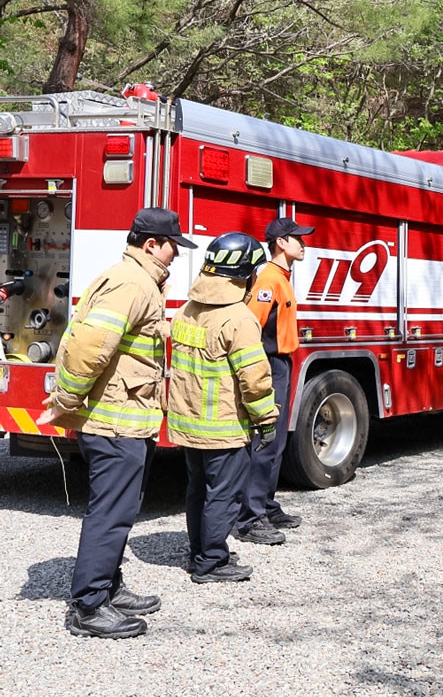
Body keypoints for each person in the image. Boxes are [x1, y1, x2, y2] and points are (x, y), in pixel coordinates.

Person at [41, 208, 196, 638]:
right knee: (110, 513)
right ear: (151, 244)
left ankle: (109, 587)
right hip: (115, 426)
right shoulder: (132, 283)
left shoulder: (135, 280)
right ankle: (89, 606)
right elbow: (90, 346)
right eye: (171, 247)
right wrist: (64, 401)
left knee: (122, 510)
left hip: (128, 423)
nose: (175, 256)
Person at [169, 233, 278, 583]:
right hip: (224, 428)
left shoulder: (187, 310)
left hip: (189, 424)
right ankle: (212, 562)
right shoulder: (239, 319)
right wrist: (266, 420)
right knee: (224, 495)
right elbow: (255, 378)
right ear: (244, 274)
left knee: (197, 490)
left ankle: (198, 551)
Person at [234, 217, 314, 546]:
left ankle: (266, 503)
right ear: (281, 242)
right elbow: (252, 324)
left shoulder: (281, 276)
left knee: (277, 440)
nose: (303, 244)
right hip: (269, 364)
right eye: (297, 238)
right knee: (266, 440)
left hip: (280, 363)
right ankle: (250, 517)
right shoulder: (269, 278)